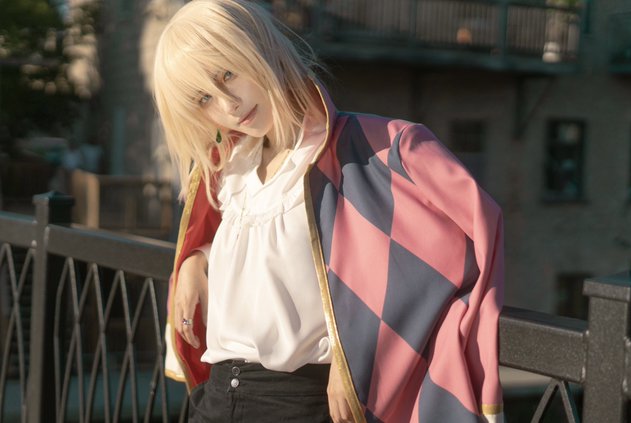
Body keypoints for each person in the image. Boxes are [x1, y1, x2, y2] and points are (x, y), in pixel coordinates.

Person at [153, 1, 505, 422]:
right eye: (204, 98)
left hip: (300, 404)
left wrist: (354, 352)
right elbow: (266, 264)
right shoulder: (229, 171)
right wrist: (197, 260)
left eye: (228, 74)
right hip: (215, 401)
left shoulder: (370, 152)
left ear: (260, 47)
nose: (227, 105)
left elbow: (451, 245)